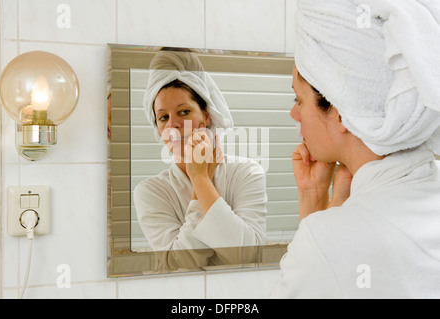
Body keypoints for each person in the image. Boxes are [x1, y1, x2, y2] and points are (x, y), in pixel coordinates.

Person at [271, 0, 440, 298]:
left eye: (299, 100)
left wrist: (316, 215)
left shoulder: (328, 241)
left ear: (340, 111)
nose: (294, 115)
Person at [134, 49, 267, 271]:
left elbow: (247, 256)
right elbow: (179, 265)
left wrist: (200, 178)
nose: (173, 125)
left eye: (184, 112)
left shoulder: (246, 172)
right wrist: (200, 180)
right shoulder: (151, 191)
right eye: (163, 117)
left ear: (206, 116)